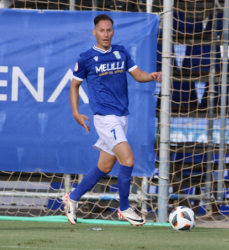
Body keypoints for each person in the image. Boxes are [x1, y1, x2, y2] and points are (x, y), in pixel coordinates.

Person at [66, 14, 162, 226]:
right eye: (102, 30)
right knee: (127, 160)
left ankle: (72, 198)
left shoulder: (121, 52)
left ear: (113, 31)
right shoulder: (86, 58)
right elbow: (74, 86)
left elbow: (137, 75)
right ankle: (125, 207)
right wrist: (76, 113)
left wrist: (152, 76)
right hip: (105, 119)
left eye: (109, 30)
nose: (106, 34)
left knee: (105, 166)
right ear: (95, 32)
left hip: (121, 117)